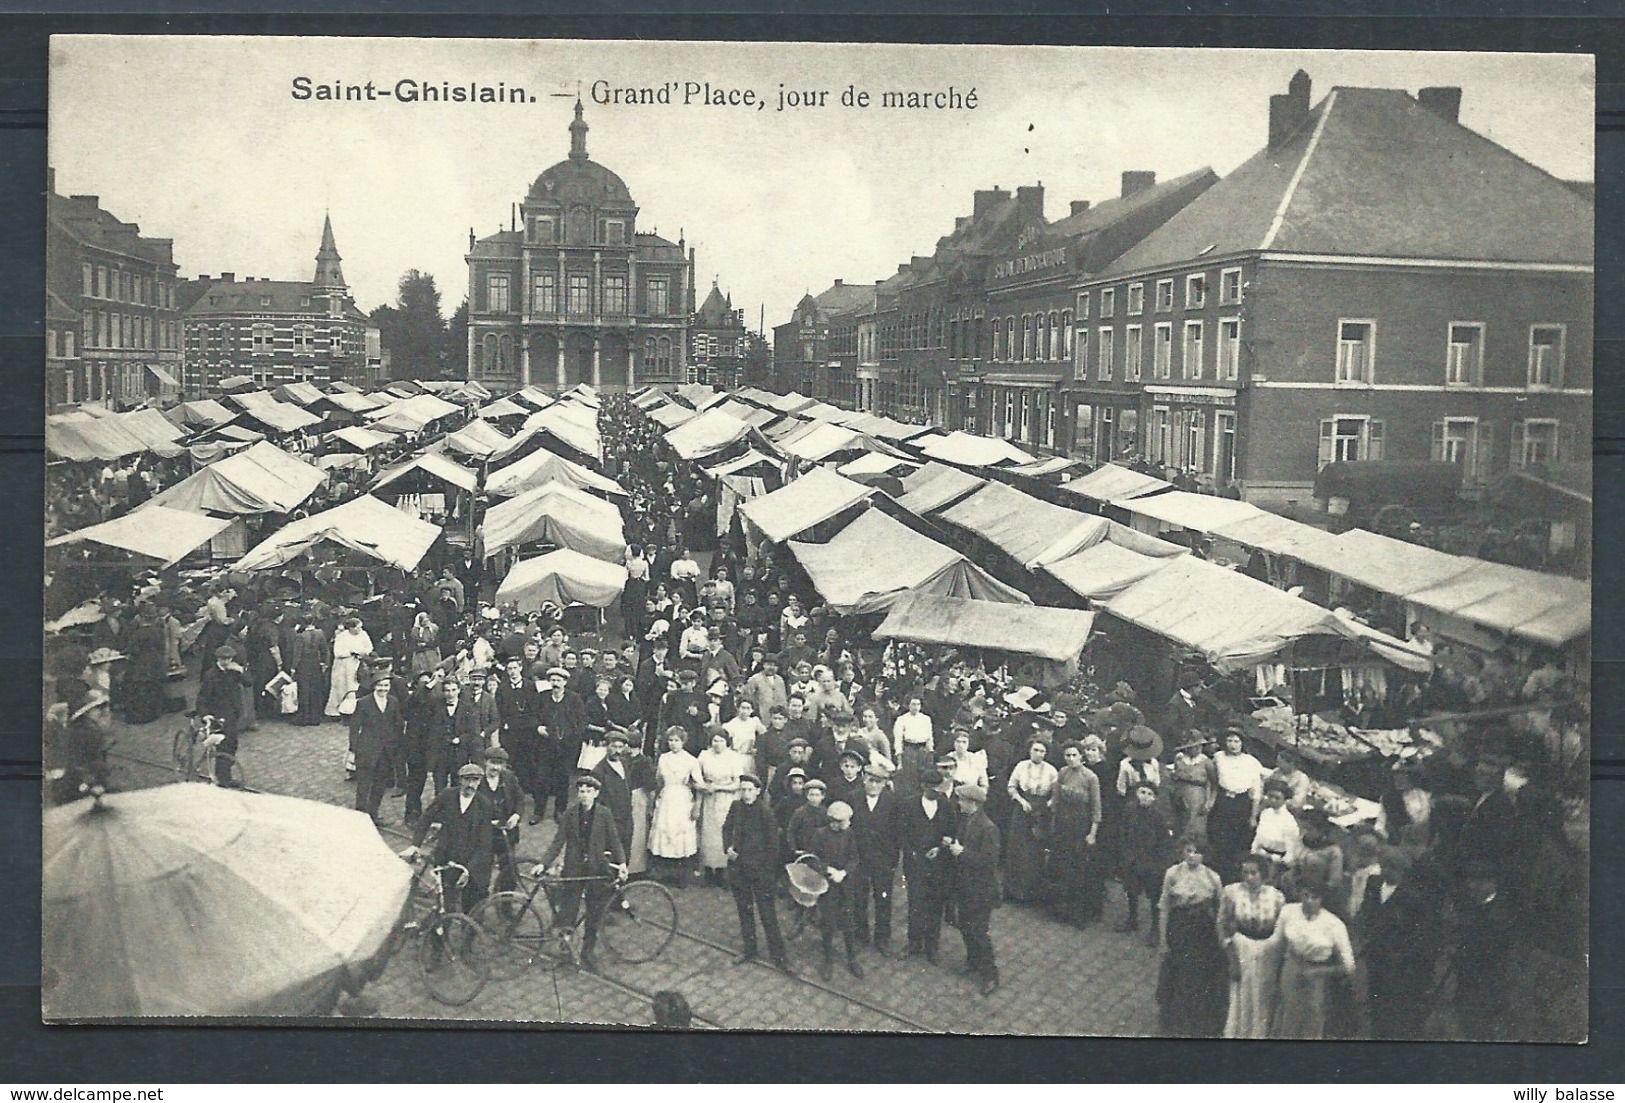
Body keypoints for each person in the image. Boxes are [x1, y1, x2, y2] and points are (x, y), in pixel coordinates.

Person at [530, 774, 627, 973]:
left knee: (594, 913)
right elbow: (558, 842)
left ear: (596, 794)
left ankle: (587, 952)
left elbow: (615, 840)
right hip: (574, 869)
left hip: (595, 870)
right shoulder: (570, 814)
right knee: (569, 911)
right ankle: (566, 951)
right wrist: (543, 863)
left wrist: (623, 863)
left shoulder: (604, 814)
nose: (584, 795)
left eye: (588, 792)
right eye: (581, 791)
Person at [400, 762, 498, 916]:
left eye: (475, 780)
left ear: (480, 781)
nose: (471, 784)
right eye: (467, 779)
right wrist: (415, 845)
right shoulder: (447, 795)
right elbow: (426, 817)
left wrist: (468, 870)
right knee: (446, 902)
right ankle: (441, 933)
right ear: (460, 780)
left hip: (472, 861)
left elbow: (485, 843)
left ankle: (469, 935)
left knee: (472, 905)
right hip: (448, 856)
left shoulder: (485, 805)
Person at [1155, 834, 1228, 1037]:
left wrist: (1220, 938)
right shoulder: (1173, 873)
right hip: (1179, 928)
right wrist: (1163, 940)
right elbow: (1164, 907)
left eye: (1197, 852)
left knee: (1198, 975)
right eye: (1188, 851)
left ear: (1204, 855)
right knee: (1176, 972)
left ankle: (1197, 1019)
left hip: (1203, 932)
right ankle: (1172, 1019)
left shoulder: (1213, 878)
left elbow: (1221, 912)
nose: (1192, 856)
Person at [723, 773, 795, 975]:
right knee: (745, 912)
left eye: (749, 790)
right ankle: (750, 950)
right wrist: (727, 848)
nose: (746, 794)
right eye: (743, 789)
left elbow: (774, 847)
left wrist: (767, 873)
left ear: (757, 791)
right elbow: (726, 829)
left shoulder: (765, 813)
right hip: (739, 870)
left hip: (760, 873)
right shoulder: (736, 807)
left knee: (768, 915)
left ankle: (779, 957)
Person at [1269, 878, 1356, 1039]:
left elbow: (1349, 966)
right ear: (1299, 895)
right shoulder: (1289, 911)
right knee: (1288, 1014)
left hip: (1318, 974)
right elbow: (1276, 942)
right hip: (1291, 967)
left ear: (1322, 899)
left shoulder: (1334, 924)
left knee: (1313, 1017)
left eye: (1314, 897)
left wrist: (1319, 972)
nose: (1309, 901)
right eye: (1305, 895)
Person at [1218, 852, 1286, 1039]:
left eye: (1254, 873)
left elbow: (1281, 928)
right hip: (1242, 948)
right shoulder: (1231, 892)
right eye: (1245, 872)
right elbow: (1223, 924)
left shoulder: (1276, 896)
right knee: (1242, 995)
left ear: (1263, 874)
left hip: (1267, 950)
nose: (1249, 877)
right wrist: (1231, 957)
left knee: (1264, 994)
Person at [900, 754, 959, 962]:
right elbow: (903, 835)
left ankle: (931, 947)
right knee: (915, 905)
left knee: (935, 905)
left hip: (939, 865)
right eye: (933, 790)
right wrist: (914, 853)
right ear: (924, 786)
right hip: (915, 864)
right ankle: (914, 943)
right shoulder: (909, 805)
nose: (937, 793)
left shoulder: (947, 805)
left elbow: (952, 832)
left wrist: (941, 848)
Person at [949, 783, 1001, 996]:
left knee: (978, 931)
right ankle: (973, 961)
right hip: (966, 886)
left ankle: (990, 974)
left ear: (973, 803)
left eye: (961, 800)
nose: (959, 803)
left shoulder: (988, 828)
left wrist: (961, 853)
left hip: (981, 891)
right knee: (965, 925)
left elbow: (989, 861)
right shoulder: (967, 820)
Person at [807, 801, 864, 981]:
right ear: (834, 821)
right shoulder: (820, 835)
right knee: (828, 924)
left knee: (848, 924)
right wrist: (829, 871)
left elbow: (855, 858)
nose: (849, 823)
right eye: (846, 821)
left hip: (846, 887)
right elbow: (813, 860)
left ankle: (851, 958)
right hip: (828, 888)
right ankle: (828, 959)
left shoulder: (850, 834)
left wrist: (844, 872)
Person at [1049, 740, 1103, 926]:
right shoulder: (1062, 773)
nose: (1071, 759)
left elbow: (1096, 808)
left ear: (1081, 756)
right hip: (1063, 826)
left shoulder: (1090, 777)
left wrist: (1092, 833)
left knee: (1079, 869)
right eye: (1067, 755)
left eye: (1074, 755)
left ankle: (1078, 913)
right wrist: (1053, 823)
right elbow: (1056, 801)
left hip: (1080, 826)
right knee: (1062, 866)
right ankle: (1060, 909)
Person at [848, 764, 901, 954]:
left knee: (883, 899)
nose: (873, 785)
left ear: (884, 784)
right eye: (870, 780)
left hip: (882, 860)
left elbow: (897, 833)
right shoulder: (853, 797)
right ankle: (861, 932)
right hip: (859, 859)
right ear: (864, 780)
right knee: (859, 897)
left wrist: (892, 860)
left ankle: (882, 938)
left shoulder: (892, 801)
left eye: (878, 782)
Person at [1004, 738, 1058, 904]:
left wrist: (1047, 805)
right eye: (1036, 750)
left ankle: (1032, 894)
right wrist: (1021, 801)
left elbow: (1056, 793)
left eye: (1042, 751)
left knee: (1035, 852)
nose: (1039, 754)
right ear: (1030, 751)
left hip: (1040, 813)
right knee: (1018, 849)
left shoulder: (1051, 770)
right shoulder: (1021, 766)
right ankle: (1014, 892)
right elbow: (1011, 786)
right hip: (1022, 810)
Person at [1209, 728, 1266, 882]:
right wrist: (1211, 800)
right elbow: (1213, 780)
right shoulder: (1218, 757)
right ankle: (1219, 873)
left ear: (1242, 743)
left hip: (1241, 803)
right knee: (1219, 837)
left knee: (1239, 840)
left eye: (1236, 741)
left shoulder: (1250, 762)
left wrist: (1253, 815)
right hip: (1223, 801)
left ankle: (1237, 874)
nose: (1232, 745)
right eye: (1229, 741)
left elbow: (1256, 791)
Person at [1118, 780, 1173, 940]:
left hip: (1151, 863)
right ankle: (1132, 919)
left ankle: (1155, 928)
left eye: (1150, 794)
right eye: (1142, 792)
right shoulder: (1129, 810)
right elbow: (1123, 832)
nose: (1145, 797)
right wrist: (1125, 855)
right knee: (1131, 891)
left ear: (1155, 798)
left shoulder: (1158, 817)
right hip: (1132, 859)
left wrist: (1159, 865)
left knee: (1154, 896)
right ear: (1136, 794)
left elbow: (1164, 843)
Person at [650, 726, 703, 885]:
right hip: (666, 798)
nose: (673, 744)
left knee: (680, 833)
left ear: (683, 742)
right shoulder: (663, 758)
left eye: (676, 741)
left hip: (682, 798)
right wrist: (654, 801)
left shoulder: (691, 760)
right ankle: (665, 872)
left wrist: (697, 806)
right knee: (665, 830)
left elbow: (699, 785)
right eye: (670, 740)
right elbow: (658, 780)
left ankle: (681, 876)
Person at [350, 672, 405, 826]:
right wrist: (354, 749)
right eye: (380, 685)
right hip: (367, 750)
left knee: (380, 784)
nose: (383, 689)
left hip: (386, 751)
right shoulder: (364, 703)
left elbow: (398, 725)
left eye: (386, 686)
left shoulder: (393, 702)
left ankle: (373, 814)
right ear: (374, 686)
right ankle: (360, 817)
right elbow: (354, 728)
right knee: (364, 785)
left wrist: (396, 745)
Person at [193, 644, 251, 788]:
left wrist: (241, 671)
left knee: (232, 745)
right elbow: (202, 698)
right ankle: (224, 778)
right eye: (223, 659)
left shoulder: (234, 671)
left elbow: (249, 683)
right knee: (224, 746)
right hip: (218, 717)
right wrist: (205, 715)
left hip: (233, 714)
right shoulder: (211, 675)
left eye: (228, 658)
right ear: (217, 658)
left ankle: (224, 774)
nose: (226, 661)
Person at [696, 726, 743, 886]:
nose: (718, 744)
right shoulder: (704, 756)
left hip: (727, 798)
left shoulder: (734, 758)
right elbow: (696, 777)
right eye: (715, 741)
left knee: (724, 833)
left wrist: (719, 787)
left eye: (721, 741)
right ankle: (709, 871)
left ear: (727, 742)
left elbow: (737, 783)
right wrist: (703, 786)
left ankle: (722, 872)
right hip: (709, 799)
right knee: (709, 834)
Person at [482, 747, 526, 895]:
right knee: (481, 870)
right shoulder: (476, 780)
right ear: (485, 762)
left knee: (509, 869)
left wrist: (516, 815)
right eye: (492, 763)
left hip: (505, 832)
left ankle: (506, 902)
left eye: (499, 764)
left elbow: (520, 798)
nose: (495, 767)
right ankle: (478, 906)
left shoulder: (509, 778)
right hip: (483, 833)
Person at [1250, 776, 1304, 878]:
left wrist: (1272, 858)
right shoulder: (1265, 813)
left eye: (1277, 798)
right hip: (1259, 857)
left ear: (1285, 799)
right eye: (1270, 796)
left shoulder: (1288, 821)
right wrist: (1254, 851)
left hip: (1275, 863)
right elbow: (1258, 836)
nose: (1273, 800)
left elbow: (1290, 853)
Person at [1168, 732, 1217, 840]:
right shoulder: (1179, 759)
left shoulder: (1206, 762)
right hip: (1180, 795)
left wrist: (1209, 803)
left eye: (1199, 746)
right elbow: (1174, 778)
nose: (1196, 749)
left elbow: (1214, 785)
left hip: (1198, 797)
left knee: (1195, 828)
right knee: (1179, 825)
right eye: (1193, 747)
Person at [325, 617, 372, 718]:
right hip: (343, 666)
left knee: (354, 688)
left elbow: (369, 647)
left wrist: (363, 653)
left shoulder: (363, 634)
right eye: (358, 628)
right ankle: (334, 712)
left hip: (357, 664)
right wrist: (351, 652)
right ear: (351, 628)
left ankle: (351, 712)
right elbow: (337, 652)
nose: (360, 629)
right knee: (340, 688)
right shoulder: (342, 637)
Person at [891, 695, 935, 800]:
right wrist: (899, 761)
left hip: (923, 750)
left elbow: (929, 737)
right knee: (910, 778)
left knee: (923, 777)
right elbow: (898, 741)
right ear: (908, 705)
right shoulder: (902, 719)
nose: (916, 707)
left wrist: (930, 754)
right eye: (913, 704)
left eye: (918, 704)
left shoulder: (926, 719)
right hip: (909, 750)